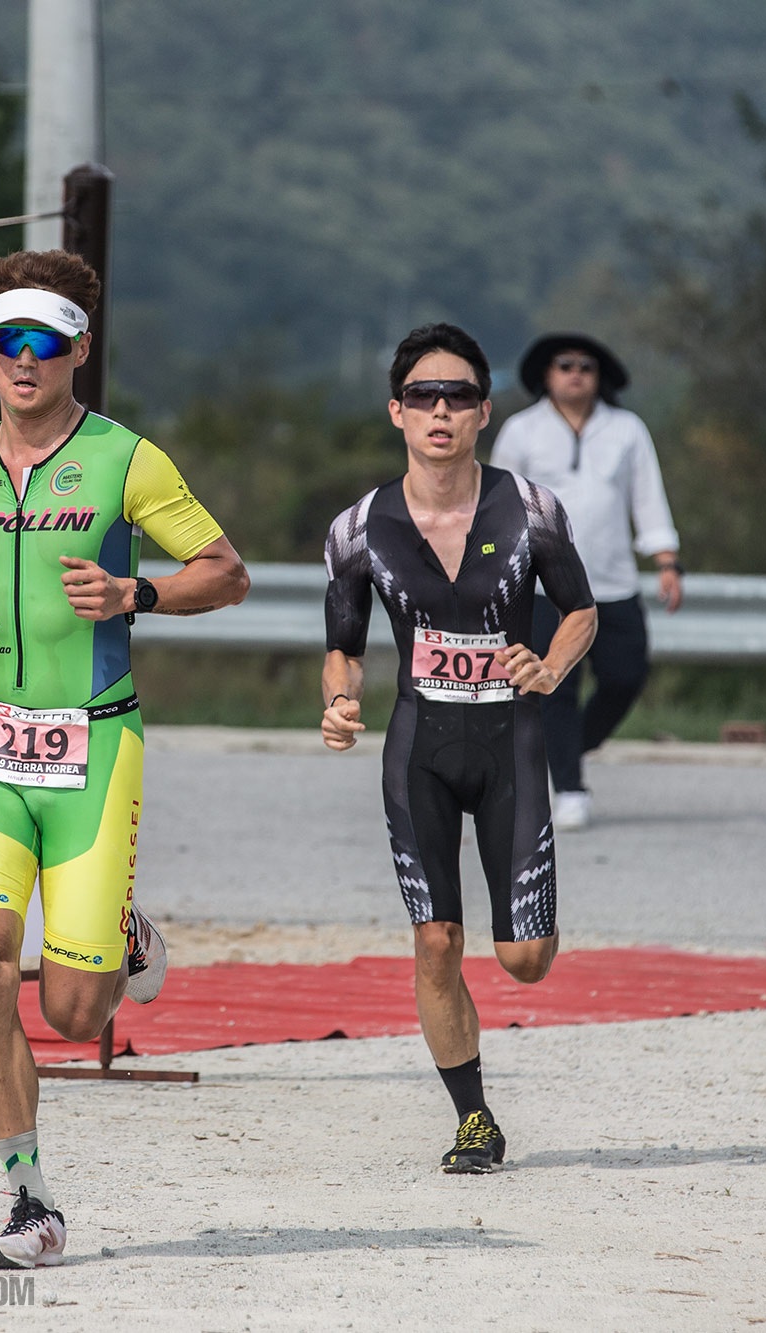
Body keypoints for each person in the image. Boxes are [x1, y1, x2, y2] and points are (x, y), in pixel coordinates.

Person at [0, 250, 249, 1266]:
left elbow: (225, 572)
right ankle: (31, 1202)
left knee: (72, 1011)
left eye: (45, 343)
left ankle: (123, 935)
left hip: (95, 743)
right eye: (7, 340)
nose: (25, 359)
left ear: (78, 351)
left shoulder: (125, 459)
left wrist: (136, 594)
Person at [320, 323, 596, 1174]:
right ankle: (474, 1117)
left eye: (459, 396)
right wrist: (338, 701)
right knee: (437, 940)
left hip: (511, 742)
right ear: (397, 412)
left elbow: (582, 611)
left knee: (525, 960)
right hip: (420, 750)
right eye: (424, 397)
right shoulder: (358, 528)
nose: (441, 411)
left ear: (484, 411)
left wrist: (549, 665)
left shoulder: (534, 509)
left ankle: (529, 919)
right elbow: (343, 645)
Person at [490, 334, 682, 830]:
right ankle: (570, 789)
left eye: (585, 366)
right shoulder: (522, 430)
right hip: (541, 587)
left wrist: (667, 561)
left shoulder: (627, 430)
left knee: (625, 676)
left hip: (613, 583)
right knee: (553, 686)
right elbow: (499, 505)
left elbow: (648, 497)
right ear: (546, 374)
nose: (575, 373)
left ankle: (570, 748)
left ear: (600, 377)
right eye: (565, 365)